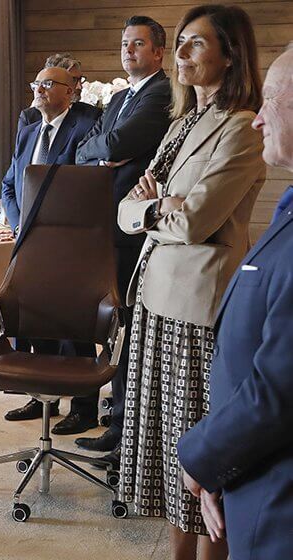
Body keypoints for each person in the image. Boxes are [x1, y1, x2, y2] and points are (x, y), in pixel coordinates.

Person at [116, 5, 265, 559]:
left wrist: (153, 207)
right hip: (156, 299)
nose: (180, 54)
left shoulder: (244, 128)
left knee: (201, 466)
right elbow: (127, 213)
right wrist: (157, 206)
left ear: (230, 55)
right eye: (178, 43)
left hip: (199, 310)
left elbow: (197, 220)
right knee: (165, 460)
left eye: (196, 44)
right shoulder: (180, 124)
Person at [177, 43, 293, 560]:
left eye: (272, 101)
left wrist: (202, 458)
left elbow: (279, 390)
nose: (259, 120)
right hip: (256, 474)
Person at [74, 15, 172, 454]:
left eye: (137, 44)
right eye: (124, 43)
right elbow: (85, 148)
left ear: (158, 52)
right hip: (104, 225)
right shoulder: (117, 99)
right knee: (113, 328)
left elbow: (112, 146)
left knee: (129, 329)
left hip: (134, 231)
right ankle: (114, 421)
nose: (128, 50)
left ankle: (124, 430)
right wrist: (105, 149)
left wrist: (106, 149)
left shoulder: (163, 93)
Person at [0, 65, 100, 433]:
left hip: (68, 247)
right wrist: (17, 222)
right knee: (37, 323)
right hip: (28, 244)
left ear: (69, 92)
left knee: (74, 327)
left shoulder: (84, 130)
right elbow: (9, 184)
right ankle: (43, 398)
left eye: (48, 84)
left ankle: (84, 407)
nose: (39, 89)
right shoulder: (27, 132)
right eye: (36, 83)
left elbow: (85, 188)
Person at [18, 53, 102, 128]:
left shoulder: (92, 115)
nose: (79, 87)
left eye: (80, 79)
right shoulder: (29, 117)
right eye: (73, 80)